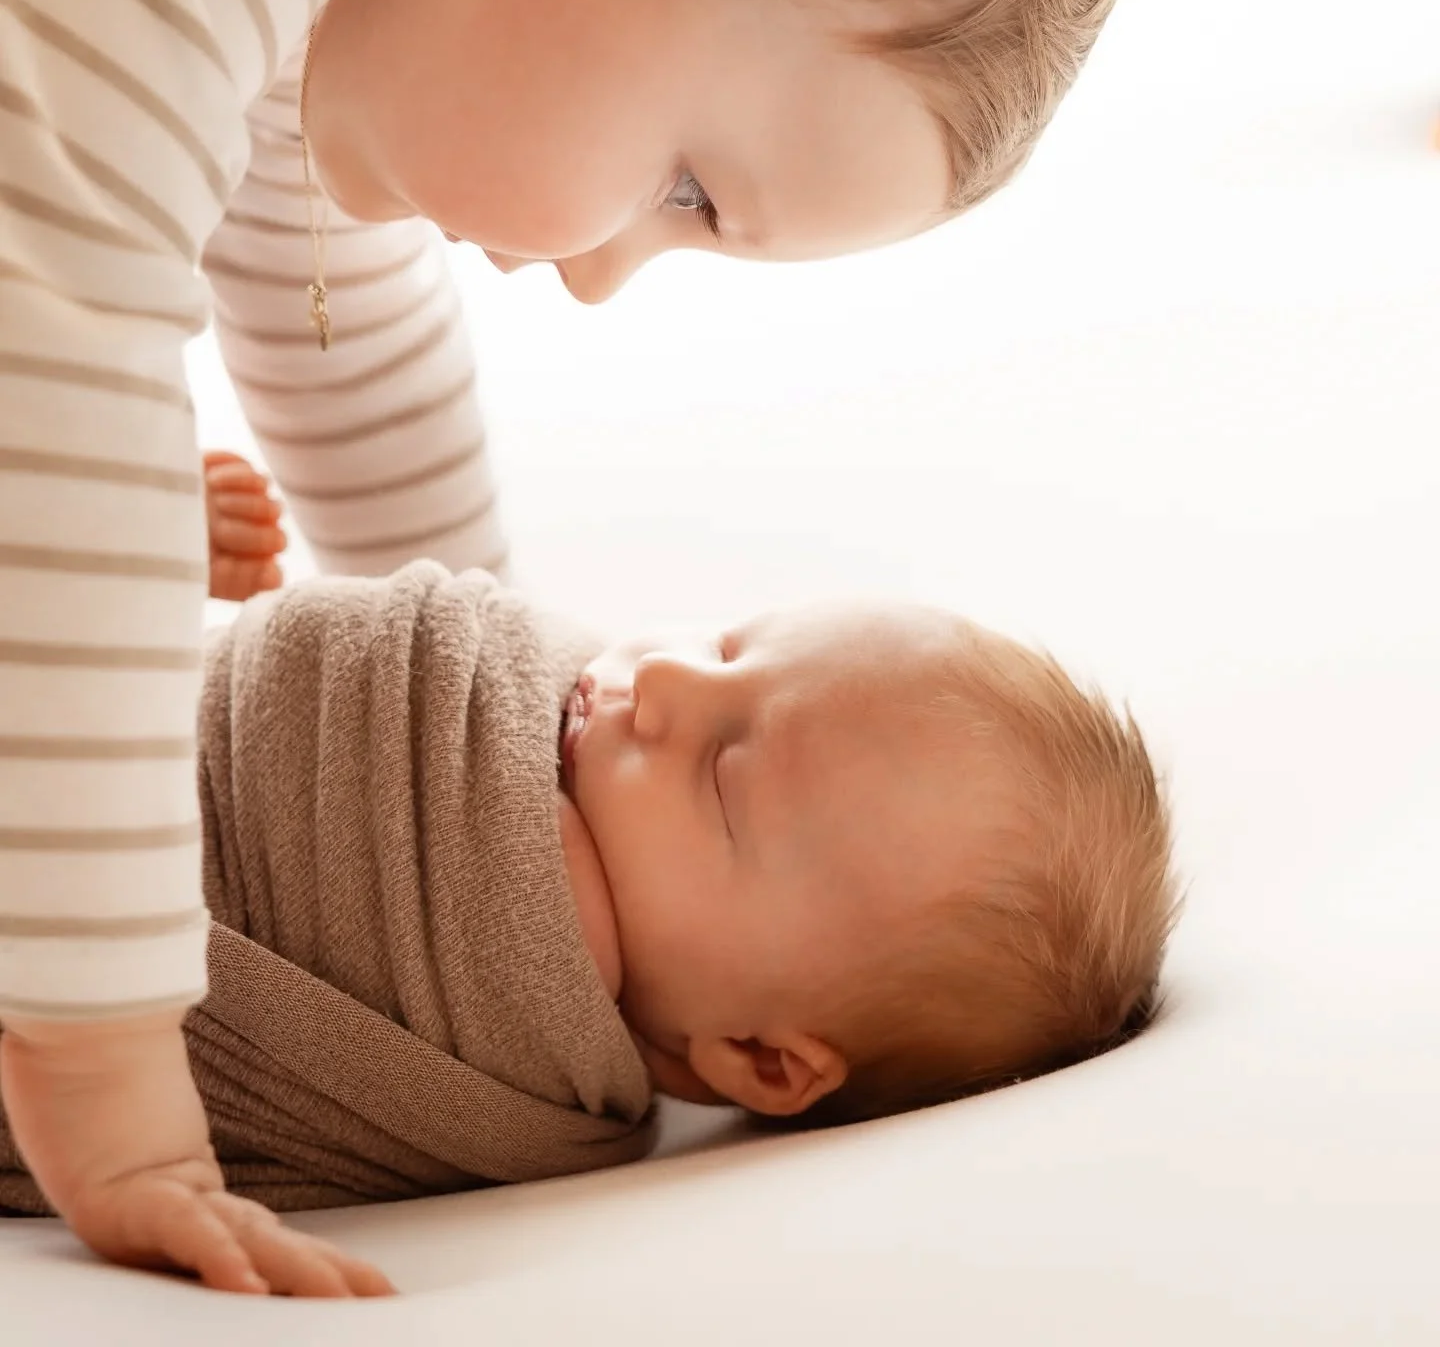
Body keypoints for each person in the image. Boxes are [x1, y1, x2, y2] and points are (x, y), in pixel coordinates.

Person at [0, 0, 1159, 1296]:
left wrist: (445, 636)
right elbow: (41, 374)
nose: (610, 276)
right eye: (692, 186)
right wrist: (106, 1054)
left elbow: (324, 271)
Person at [1, 460, 1180, 1218]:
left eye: (722, 775)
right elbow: (319, 690)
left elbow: (293, 811)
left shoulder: (525, 967)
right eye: (729, 645)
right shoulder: (578, 738)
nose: (658, 677)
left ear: (762, 1060)